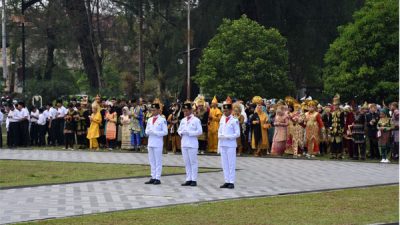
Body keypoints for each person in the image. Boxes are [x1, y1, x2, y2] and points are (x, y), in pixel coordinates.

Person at [177, 102, 203, 186]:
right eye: (184, 111)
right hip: (184, 143)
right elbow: (179, 130)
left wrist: (190, 132)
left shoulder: (196, 120)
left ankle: (194, 179)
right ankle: (188, 179)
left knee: (193, 162)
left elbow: (199, 131)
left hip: (192, 143)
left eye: (187, 111)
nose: (185, 113)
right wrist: (181, 132)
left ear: (191, 110)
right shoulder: (183, 120)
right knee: (186, 162)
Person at [218, 100, 240, 189]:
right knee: (224, 163)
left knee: (231, 163)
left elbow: (237, 133)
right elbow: (219, 130)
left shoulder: (234, 120)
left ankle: (231, 181)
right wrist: (220, 135)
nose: (225, 112)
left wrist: (228, 137)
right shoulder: (222, 119)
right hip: (223, 143)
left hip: (230, 144)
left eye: (227, 111)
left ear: (231, 111)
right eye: (224, 111)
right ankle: (226, 180)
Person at [144, 102, 168, 185]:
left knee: (158, 161)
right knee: (152, 161)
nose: (152, 112)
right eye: (152, 110)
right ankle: (153, 176)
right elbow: (146, 130)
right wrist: (149, 132)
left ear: (158, 110)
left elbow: (165, 132)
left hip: (158, 142)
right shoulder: (150, 119)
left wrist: (155, 132)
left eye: (154, 110)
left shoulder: (162, 120)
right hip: (150, 142)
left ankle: (157, 177)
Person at [330, 94, 345, 159]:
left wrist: (342, 129)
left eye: (336, 105)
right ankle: (333, 154)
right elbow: (330, 121)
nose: (335, 106)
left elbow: (342, 122)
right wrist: (329, 128)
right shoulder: (332, 112)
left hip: (339, 128)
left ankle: (339, 154)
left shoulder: (341, 112)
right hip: (333, 128)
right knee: (332, 141)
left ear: (338, 105)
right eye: (334, 105)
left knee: (338, 141)